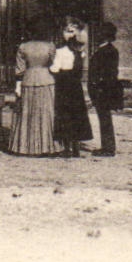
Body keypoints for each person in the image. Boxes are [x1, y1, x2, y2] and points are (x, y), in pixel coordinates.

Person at [7, 21, 60, 157]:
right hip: (47, 80)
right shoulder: (50, 46)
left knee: (27, 114)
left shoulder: (23, 47)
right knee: (46, 113)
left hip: (28, 80)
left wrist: (18, 85)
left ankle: (26, 147)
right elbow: (55, 66)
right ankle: (47, 146)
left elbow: (19, 70)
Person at [51, 17, 93, 158]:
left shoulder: (60, 51)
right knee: (77, 114)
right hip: (76, 87)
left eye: (71, 31)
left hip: (63, 85)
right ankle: (76, 147)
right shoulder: (81, 53)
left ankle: (67, 147)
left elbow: (55, 69)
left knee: (64, 114)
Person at [88, 21, 124, 157]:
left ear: (105, 35)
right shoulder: (107, 50)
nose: (97, 35)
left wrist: (99, 87)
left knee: (105, 118)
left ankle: (108, 148)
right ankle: (107, 146)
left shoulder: (107, 51)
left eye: (100, 33)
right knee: (104, 118)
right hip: (103, 89)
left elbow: (109, 73)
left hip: (103, 90)